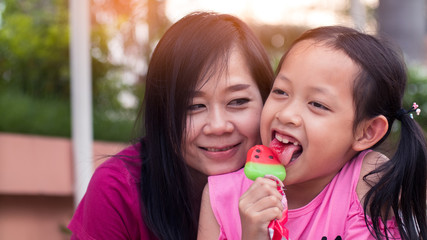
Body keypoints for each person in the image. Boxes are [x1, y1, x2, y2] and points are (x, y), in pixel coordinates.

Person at [198, 26, 427, 240]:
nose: (287, 114)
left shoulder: (367, 181)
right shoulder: (220, 198)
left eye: (317, 104)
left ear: (366, 132)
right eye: (280, 91)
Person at [68, 11, 274, 240]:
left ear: (268, 100)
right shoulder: (118, 191)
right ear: (162, 113)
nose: (218, 126)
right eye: (193, 106)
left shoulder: (297, 180)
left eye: (237, 101)